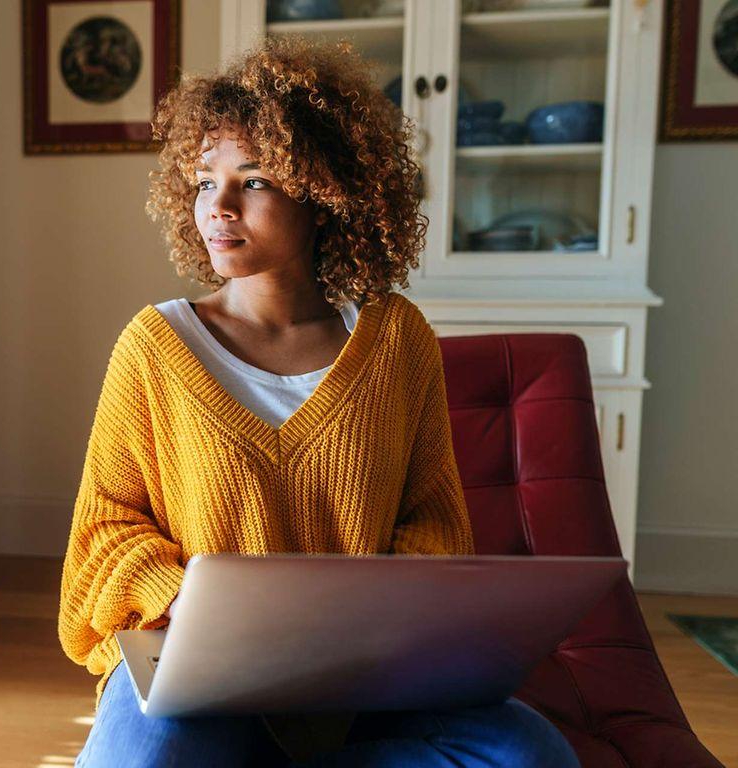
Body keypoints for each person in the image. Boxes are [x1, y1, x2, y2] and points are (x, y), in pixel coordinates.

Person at [58, 35, 581, 768]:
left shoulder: (397, 342)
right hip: (197, 676)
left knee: (528, 754)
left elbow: (433, 518)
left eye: (257, 181)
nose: (221, 206)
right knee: (150, 756)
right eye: (206, 181)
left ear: (327, 195)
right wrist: (188, 606)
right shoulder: (154, 348)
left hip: (366, 684)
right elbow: (106, 531)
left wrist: (376, 621)